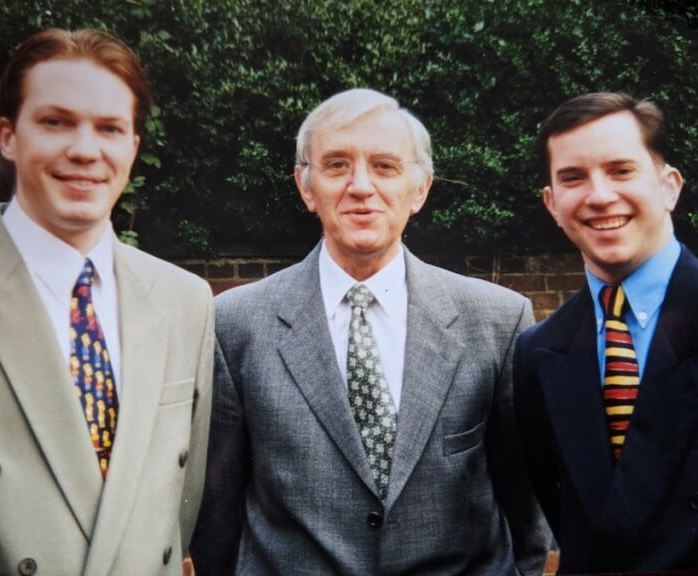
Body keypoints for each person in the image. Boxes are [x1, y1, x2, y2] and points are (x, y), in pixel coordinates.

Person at [190, 87, 551, 575]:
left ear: (419, 189)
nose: (361, 185)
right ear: (306, 185)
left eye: (385, 166)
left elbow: (526, 504)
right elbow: (218, 515)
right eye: (337, 165)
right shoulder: (236, 323)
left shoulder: (496, 321)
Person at [0, 28, 213, 575]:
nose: (85, 150)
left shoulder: (186, 302)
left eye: (110, 128)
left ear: (132, 147)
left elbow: (178, 514)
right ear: (8, 136)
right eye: (55, 122)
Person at [513, 91, 698, 573]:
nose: (599, 196)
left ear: (670, 186)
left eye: (622, 170)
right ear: (552, 204)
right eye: (573, 178)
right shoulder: (538, 353)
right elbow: (569, 517)